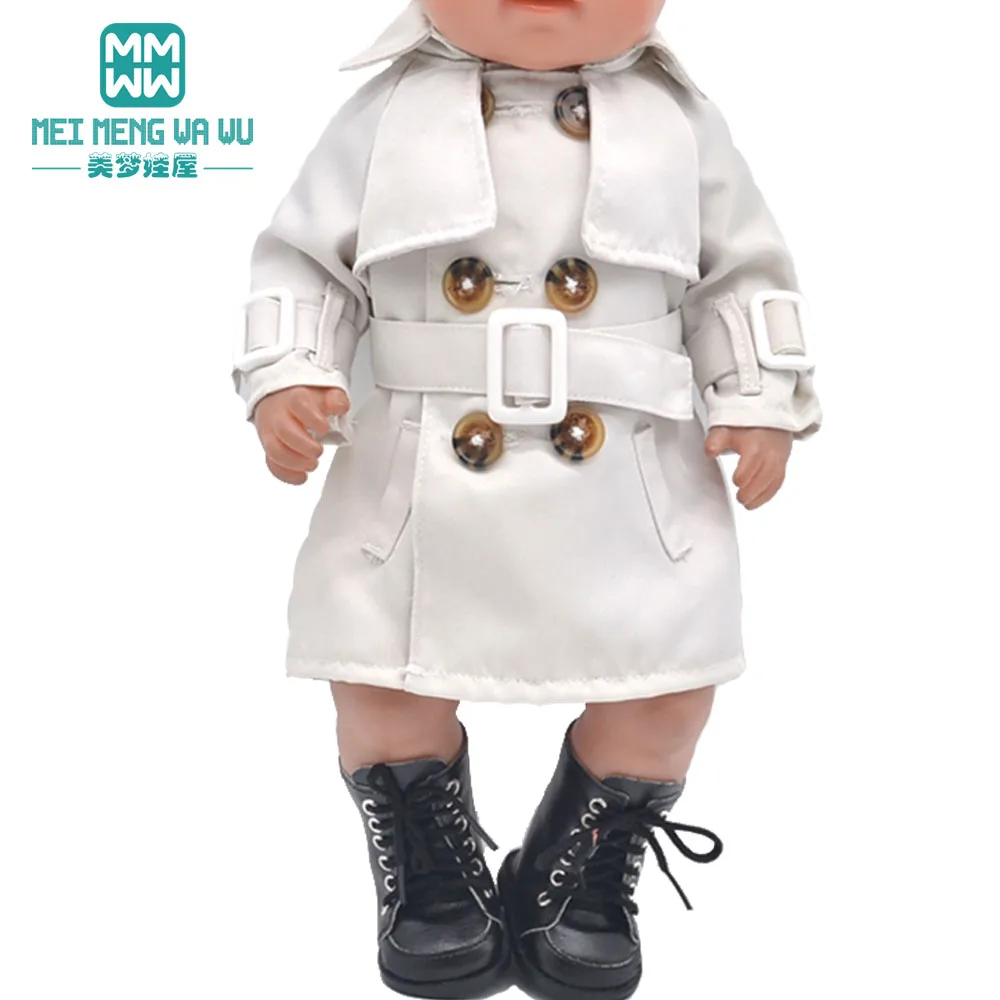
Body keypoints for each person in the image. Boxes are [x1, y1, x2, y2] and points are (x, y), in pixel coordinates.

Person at [232, 2, 821, 997]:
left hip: (629, 469)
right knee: (380, 679)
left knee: (668, 683)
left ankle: (586, 852)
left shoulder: (680, 121)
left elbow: (742, 276)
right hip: (424, 455)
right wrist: (290, 374)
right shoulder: (384, 113)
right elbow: (302, 260)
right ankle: (426, 850)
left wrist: (759, 397)